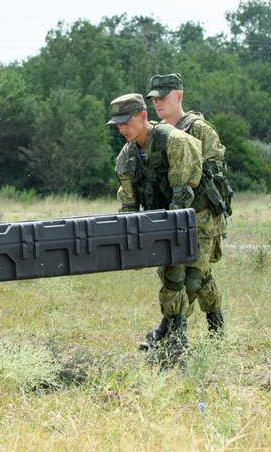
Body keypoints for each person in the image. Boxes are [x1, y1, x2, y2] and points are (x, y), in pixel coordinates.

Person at [108, 93, 206, 365]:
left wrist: (164, 235)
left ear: (142, 116)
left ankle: (182, 333)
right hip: (165, 220)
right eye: (116, 124)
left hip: (198, 216)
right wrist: (133, 247)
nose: (121, 129)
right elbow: (129, 205)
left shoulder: (175, 142)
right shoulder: (126, 158)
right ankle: (175, 337)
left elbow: (183, 193)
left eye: (125, 122)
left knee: (194, 280)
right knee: (174, 278)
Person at [146, 74, 228, 336]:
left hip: (202, 215)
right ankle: (216, 324)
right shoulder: (156, 133)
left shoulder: (201, 129)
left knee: (193, 278)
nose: (158, 104)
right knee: (179, 274)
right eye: (154, 99)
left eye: (163, 97)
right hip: (173, 214)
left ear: (178, 96)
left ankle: (170, 330)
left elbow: (215, 174)